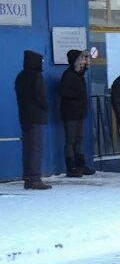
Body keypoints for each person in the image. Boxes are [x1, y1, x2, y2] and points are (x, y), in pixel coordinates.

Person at [14, 50, 51, 190]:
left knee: (28, 148)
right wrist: (46, 107)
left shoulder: (21, 76)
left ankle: (28, 178)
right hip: (37, 117)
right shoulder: (36, 76)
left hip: (24, 116)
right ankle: (35, 178)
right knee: (36, 147)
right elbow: (40, 97)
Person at [59, 49, 94, 178]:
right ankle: (71, 167)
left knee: (79, 139)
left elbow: (86, 67)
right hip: (70, 113)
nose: (84, 61)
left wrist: (87, 57)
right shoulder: (68, 75)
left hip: (79, 112)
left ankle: (80, 165)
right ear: (75, 61)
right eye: (81, 59)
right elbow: (63, 92)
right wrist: (77, 95)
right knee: (70, 140)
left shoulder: (79, 74)